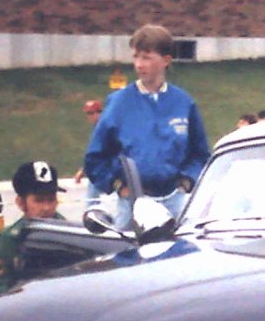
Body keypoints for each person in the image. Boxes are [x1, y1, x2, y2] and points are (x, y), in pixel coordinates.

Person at [83, 24, 210, 224]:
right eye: (136, 56)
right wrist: (117, 185)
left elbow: (200, 154)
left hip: (174, 202)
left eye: (147, 57)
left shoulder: (184, 103)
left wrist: (186, 182)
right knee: (126, 253)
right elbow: (95, 157)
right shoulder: (118, 103)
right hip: (132, 205)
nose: (139, 64)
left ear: (166, 60)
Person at [0, 160, 66, 298]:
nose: (46, 207)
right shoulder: (12, 238)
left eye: (51, 199)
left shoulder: (68, 232)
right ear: (21, 203)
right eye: (38, 200)